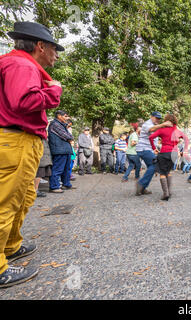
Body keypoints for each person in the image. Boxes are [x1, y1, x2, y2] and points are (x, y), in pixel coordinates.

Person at [0, 21, 64, 287]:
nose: (56, 55)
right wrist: (54, 90)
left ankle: (11, 246)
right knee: (6, 201)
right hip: (17, 139)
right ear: (40, 46)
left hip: (21, 140)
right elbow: (24, 101)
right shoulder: (21, 65)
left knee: (22, 197)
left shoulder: (18, 63)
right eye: (54, 49)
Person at [149, 114, 189, 200]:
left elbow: (151, 137)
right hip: (174, 154)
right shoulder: (177, 131)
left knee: (162, 173)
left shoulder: (162, 130)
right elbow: (186, 138)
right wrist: (184, 150)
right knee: (168, 171)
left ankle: (166, 193)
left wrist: (154, 148)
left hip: (164, 152)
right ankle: (169, 192)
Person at [135, 111, 172, 196]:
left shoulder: (156, 126)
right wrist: (163, 124)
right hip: (144, 149)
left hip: (149, 149)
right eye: (156, 118)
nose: (158, 120)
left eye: (159, 119)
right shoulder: (147, 124)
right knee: (155, 165)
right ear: (151, 116)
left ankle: (142, 188)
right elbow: (151, 129)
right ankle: (141, 184)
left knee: (152, 168)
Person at [48, 110, 75, 193]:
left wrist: (70, 137)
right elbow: (67, 136)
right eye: (66, 116)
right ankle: (54, 186)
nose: (67, 118)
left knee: (66, 169)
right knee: (58, 169)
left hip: (65, 150)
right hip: (59, 150)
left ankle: (66, 184)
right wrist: (70, 138)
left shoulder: (62, 125)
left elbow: (69, 136)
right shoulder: (55, 124)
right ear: (59, 116)